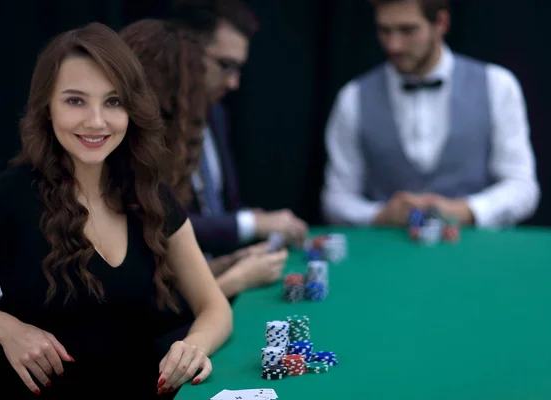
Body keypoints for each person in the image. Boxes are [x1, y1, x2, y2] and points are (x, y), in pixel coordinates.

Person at [0, 22, 232, 399]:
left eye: (113, 101)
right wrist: (6, 328)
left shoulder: (150, 195)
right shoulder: (4, 198)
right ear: (46, 108)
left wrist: (194, 344)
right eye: (75, 100)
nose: (96, 121)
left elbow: (214, 306)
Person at [321, 0, 540, 227]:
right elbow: (336, 198)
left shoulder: (498, 85)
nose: (393, 45)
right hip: (386, 253)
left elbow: (522, 187)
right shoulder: (352, 96)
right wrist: (380, 215)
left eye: (408, 30)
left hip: (475, 251)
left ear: (441, 23)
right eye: (384, 31)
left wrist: (467, 210)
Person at [120, 19, 288, 304]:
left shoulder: (198, 125)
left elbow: (171, 255)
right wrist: (238, 278)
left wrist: (229, 263)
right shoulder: (128, 162)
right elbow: (144, 316)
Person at [168, 0, 309, 257]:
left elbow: (223, 209)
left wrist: (256, 220)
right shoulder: (150, 122)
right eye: (225, 66)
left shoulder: (216, 114)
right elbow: (163, 225)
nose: (234, 83)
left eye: (238, 69)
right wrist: (250, 224)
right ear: (187, 52)